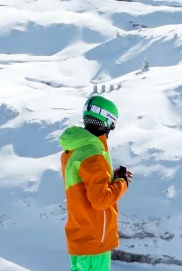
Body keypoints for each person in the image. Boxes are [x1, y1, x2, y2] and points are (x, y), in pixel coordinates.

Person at [59, 94, 132, 271]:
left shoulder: (75, 149)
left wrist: (109, 178)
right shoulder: (93, 153)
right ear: (107, 122)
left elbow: (84, 186)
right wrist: (122, 183)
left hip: (81, 238)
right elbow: (100, 201)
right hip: (94, 240)